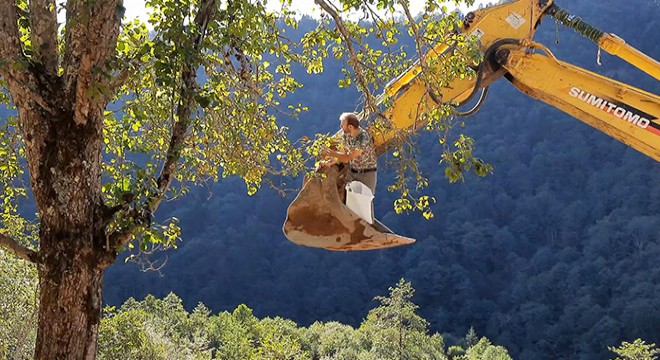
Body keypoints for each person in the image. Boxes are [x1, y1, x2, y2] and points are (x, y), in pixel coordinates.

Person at [321, 112, 378, 195]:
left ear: (350, 127)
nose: (341, 127)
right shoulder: (346, 135)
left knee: (365, 202)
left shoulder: (363, 138)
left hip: (367, 175)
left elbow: (347, 158)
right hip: (352, 172)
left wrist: (330, 153)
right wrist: (329, 163)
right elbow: (342, 152)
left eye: (343, 125)